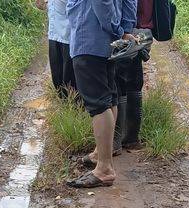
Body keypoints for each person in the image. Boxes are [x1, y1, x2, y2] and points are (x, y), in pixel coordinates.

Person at [65, 0, 137, 188]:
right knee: (109, 97)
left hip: (89, 38)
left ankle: (104, 168)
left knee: (98, 104)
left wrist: (118, 30)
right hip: (107, 43)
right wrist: (125, 30)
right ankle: (101, 154)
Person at [114, 0, 153, 151]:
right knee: (132, 82)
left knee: (120, 82)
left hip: (130, 30)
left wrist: (125, 31)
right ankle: (129, 137)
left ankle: (120, 140)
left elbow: (130, 5)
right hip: (141, 28)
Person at [36, 0, 76, 97]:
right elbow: (44, 6)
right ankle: (63, 101)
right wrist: (42, 4)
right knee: (56, 72)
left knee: (69, 74)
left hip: (69, 35)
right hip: (54, 34)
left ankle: (74, 104)